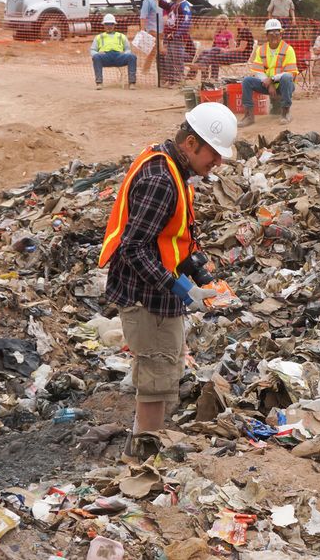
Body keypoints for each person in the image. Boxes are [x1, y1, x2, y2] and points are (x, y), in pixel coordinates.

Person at [98, 102, 238, 461]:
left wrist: (198, 273)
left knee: (161, 373)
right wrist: (176, 286)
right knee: (156, 381)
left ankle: (145, 447)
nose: (217, 163)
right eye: (214, 153)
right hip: (148, 298)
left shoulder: (172, 167)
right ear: (191, 142)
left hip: (155, 293)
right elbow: (132, 248)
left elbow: (171, 236)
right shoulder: (162, 180)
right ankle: (143, 460)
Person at [238, 18, 299, 127]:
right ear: (266, 35)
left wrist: (272, 79)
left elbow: (291, 73)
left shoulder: (288, 49)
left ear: (281, 34)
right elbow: (258, 71)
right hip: (266, 84)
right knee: (247, 81)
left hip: (284, 85)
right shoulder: (261, 49)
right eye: (271, 33)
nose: (274, 35)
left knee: (286, 78)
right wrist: (269, 83)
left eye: (277, 32)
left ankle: (285, 113)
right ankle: (249, 116)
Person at [159, 0, 194, 86]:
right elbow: (165, 6)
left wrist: (177, 34)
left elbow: (187, 22)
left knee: (177, 58)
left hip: (177, 37)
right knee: (168, 58)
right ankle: (171, 80)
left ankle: (179, 81)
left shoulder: (184, 5)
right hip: (170, 36)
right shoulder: (173, 5)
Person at [91, 14, 136, 90]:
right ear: (104, 25)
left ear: (114, 25)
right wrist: (97, 53)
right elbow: (92, 50)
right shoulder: (99, 37)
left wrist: (125, 53)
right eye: (107, 24)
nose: (109, 26)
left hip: (119, 57)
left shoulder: (121, 36)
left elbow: (128, 49)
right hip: (105, 57)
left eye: (111, 24)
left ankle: (132, 83)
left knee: (132, 57)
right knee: (96, 57)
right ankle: (99, 82)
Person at [188, 14, 234, 80]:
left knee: (209, 54)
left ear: (224, 23)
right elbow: (213, 46)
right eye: (217, 24)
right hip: (215, 52)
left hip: (223, 53)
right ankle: (202, 78)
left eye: (219, 23)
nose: (217, 25)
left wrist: (226, 49)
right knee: (204, 52)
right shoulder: (217, 33)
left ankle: (195, 70)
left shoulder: (229, 34)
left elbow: (232, 47)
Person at [139, 0, 165, 74]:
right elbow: (143, 16)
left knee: (159, 51)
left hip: (162, 30)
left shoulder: (164, 0)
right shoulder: (147, 1)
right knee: (154, 50)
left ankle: (155, 70)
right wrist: (143, 30)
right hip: (152, 29)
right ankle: (145, 70)